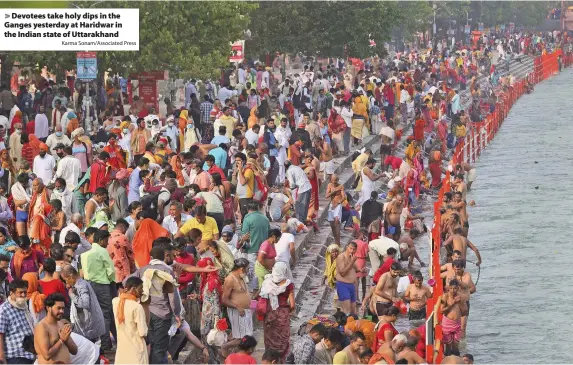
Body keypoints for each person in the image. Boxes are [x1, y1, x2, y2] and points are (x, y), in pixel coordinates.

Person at [80, 229, 116, 353]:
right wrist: (111, 281)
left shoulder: (84, 254)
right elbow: (110, 270)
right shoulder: (101, 251)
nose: (107, 243)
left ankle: (99, 343)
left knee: (95, 314)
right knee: (106, 314)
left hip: (90, 285)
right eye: (106, 241)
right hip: (103, 285)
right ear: (101, 241)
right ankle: (105, 344)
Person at [60, 264, 105, 343]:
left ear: (71, 276)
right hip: (87, 326)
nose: (66, 282)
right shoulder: (79, 284)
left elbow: (85, 303)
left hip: (90, 326)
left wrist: (72, 295)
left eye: (66, 279)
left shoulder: (81, 286)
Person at [260, 261, 295, 361]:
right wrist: (288, 310)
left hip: (270, 314)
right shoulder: (288, 285)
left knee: (270, 337)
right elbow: (292, 305)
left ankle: (269, 359)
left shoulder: (267, 282)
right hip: (283, 314)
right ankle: (281, 360)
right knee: (282, 339)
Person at [112, 276, 148, 364]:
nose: (142, 291)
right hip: (136, 351)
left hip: (122, 350)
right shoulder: (137, 307)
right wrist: (146, 306)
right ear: (133, 288)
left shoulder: (115, 302)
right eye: (141, 288)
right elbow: (143, 332)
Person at [34, 293, 78, 364]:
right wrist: (61, 341)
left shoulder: (61, 324)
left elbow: (75, 351)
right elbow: (47, 355)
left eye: (63, 308)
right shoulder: (41, 327)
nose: (62, 311)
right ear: (48, 308)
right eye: (58, 308)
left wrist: (66, 340)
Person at [221, 258, 253, 355]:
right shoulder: (230, 279)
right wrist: (237, 307)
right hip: (237, 311)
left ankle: (237, 357)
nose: (248, 270)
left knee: (247, 336)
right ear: (242, 269)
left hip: (245, 311)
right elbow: (224, 300)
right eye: (247, 268)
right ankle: (224, 347)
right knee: (243, 338)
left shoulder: (241, 276)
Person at [0, 279, 36, 364]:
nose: (23, 295)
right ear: (11, 293)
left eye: (25, 292)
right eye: (20, 292)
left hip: (31, 353)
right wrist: (1, 357)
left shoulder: (24, 307)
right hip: (16, 355)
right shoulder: (4, 310)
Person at [439, 279, 463, 356]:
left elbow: (465, 311)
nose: (453, 290)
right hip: (447, 323)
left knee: (456, 346)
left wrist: (460, 303)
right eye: (451, 288)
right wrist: (452, 304)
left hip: (457, 323)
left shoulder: (460, 297)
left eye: (455, 288)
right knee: (448, 346)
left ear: (458, 288)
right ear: (448, 288)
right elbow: (441, 310)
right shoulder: (445, 296)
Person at [335, 241, 359, 315]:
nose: (352, 251)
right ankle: (343, 326)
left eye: (354, 249)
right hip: (343, 285)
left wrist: (361, 269)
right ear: (347, 248)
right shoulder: (341, 257)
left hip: (352, 285)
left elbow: (355, 269)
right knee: (346, 310)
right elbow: (342, 273)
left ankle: (351, 326)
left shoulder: (352, 257)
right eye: (350, 248)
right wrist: (351, 262)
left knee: (353, 311)